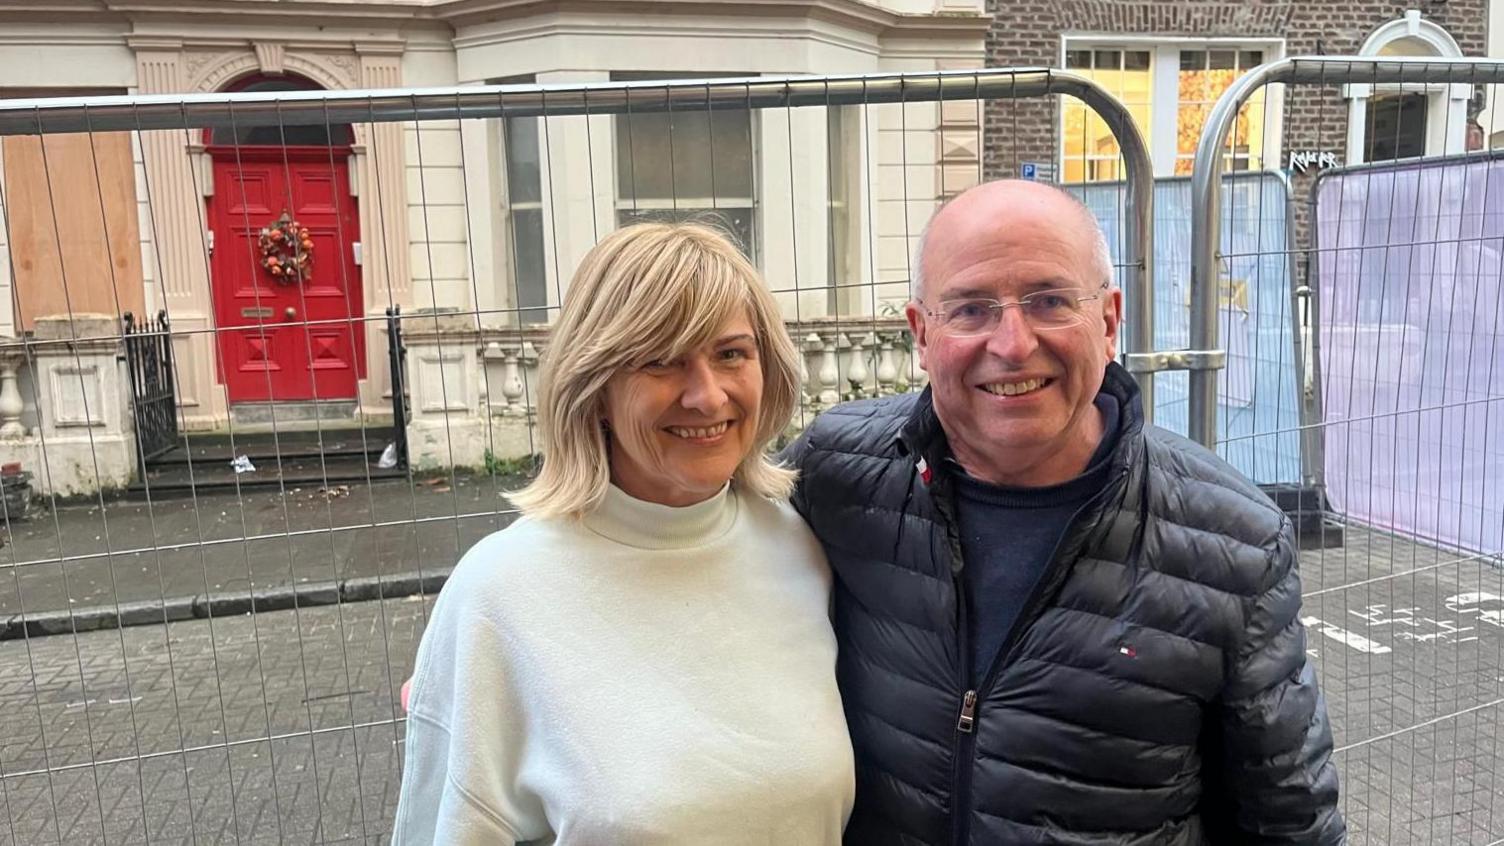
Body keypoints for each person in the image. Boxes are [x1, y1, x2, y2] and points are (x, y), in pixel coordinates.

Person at [783, 180, 1345, 844]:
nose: (1013, 344)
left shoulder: (1233, 542)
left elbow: (1288, 821)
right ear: (922, 335)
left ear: (1108, 321)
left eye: (1049, 301)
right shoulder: (836, 473)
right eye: (971, 309)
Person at [393, 222, 854, 845]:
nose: (707, 396)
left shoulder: (799, 547)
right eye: (660, 360)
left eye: (730, 354)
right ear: (595, 387)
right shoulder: (498, 594)